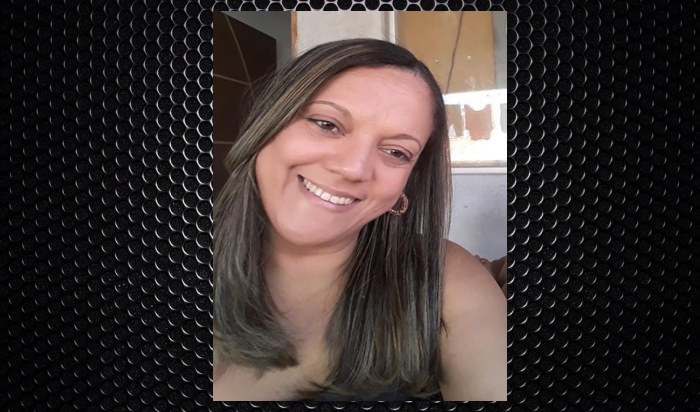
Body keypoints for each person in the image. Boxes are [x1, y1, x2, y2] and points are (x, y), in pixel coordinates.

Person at [213, 38, 506, 401]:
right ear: (267, 125)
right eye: (327, 124)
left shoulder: (442, 276)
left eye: (396, 152)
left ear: (406, 183)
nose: (354, 168)